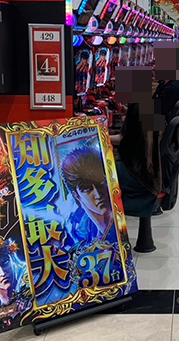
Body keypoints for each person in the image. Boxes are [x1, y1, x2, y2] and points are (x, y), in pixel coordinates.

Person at [117, 103, 163, 252]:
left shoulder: (137, 108)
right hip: (153, 174)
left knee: (96, 174)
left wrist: (98, 134)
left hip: (138, 177)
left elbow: (122, 141)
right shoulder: (151, 104)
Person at [61, 147, 114, 242]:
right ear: (77, 196)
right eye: (87, 189)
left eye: (101, 184)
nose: (98, 195)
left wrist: (103, 226)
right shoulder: (79, 228)